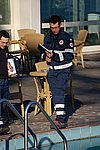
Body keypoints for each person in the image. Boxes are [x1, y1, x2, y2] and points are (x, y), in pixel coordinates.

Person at [41, 15, 74, 129]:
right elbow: (44, 52)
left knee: (59, 91)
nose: (53, 30)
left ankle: (61, 119)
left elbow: (69, 55)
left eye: (55, 27)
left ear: (60, 25)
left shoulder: (67, 38)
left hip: (63, 70)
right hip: (52, 71)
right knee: (55, 94)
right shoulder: (48, 37)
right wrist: (46, 58)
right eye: (51, 27)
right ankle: (60, 115)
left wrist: (54, 56)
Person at [0, 30, 10, 134]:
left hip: (5, 79)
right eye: (2, 42)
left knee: (4, 101)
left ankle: (2, 120)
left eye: (6, 42)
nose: (4, 44)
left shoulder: (5, 49)